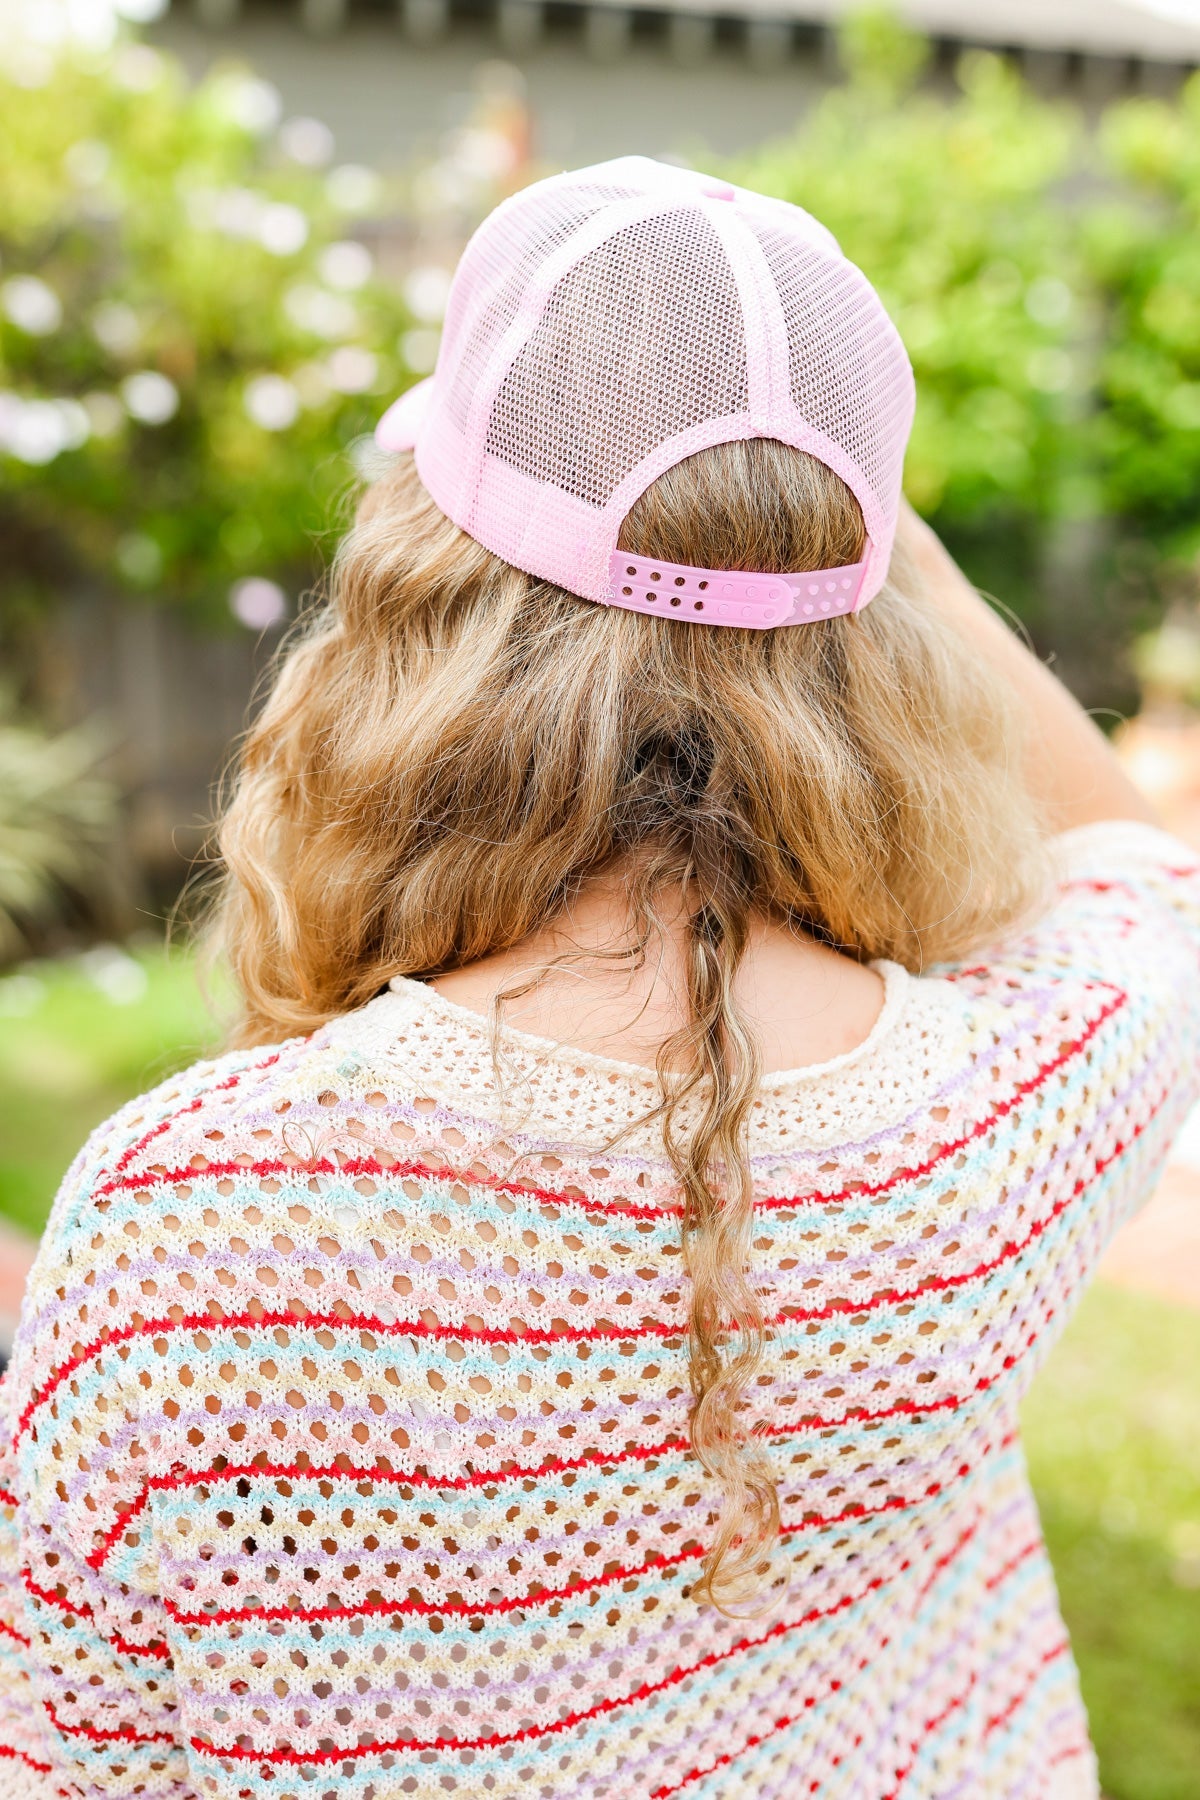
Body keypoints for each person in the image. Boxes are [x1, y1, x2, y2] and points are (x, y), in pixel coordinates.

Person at [0, 156, 1195, 1800]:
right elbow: (1148, 881)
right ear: (868, 627)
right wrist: (890, 552)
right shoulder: (1013, 1113)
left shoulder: (183, 1216)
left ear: (425, 579)